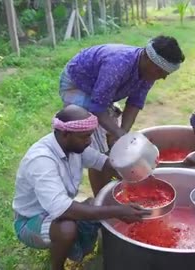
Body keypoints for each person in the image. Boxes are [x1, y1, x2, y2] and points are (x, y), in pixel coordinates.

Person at [12, 105, 150, 270]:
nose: (89, 141)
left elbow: (103, 162)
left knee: (95, 205)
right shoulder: (42, 160)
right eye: (85, 137)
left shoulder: (74, 146)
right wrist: (118, 211)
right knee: (66, 229)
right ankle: (57, 267)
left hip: (56, 209)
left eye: (90, 136)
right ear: (65, 134)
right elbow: (63, 209)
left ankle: (79, 249)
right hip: (30, 221)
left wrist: (134, 176)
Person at [59, 35, 185, 194]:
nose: (163, 77)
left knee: (113, 141)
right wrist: (119, 134)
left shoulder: (148, 72)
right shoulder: (118, 64)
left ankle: (110, 185)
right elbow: (97, 108)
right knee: (99, 147)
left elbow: (134, 103)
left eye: (166, 73)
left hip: (100, 93)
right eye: (160, 71)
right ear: (147, 58)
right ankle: (102, 200)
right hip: (77, 85)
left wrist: (121, 133)